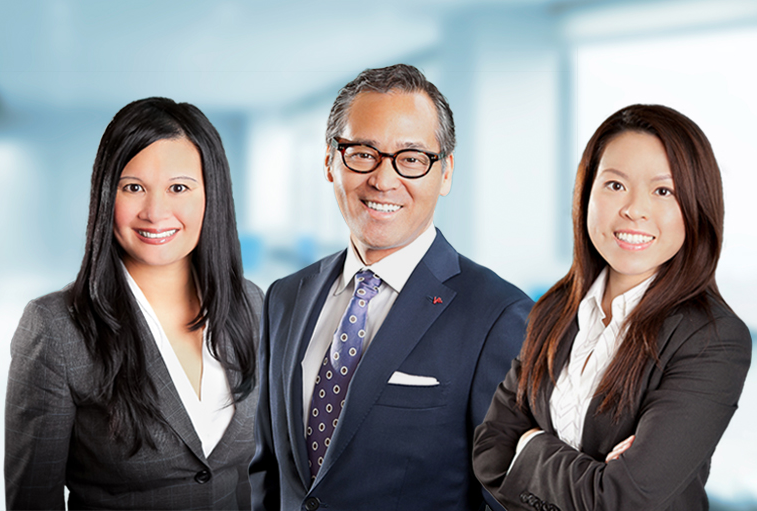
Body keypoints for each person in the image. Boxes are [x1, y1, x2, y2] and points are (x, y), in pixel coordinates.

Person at [249, 63, 533, 511]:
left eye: (412, 159)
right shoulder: (285, 298)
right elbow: (266, 475)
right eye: (363, 153)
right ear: (330, 162)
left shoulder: (499, 316)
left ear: (446, 173)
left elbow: (505, 499)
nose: (383, 179)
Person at [473, 104, 752, 511]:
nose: (634, 209)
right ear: (587, 193)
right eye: (615, 185)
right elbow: (489, 453)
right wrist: (594, 477)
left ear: (696, 206)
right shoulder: (554, 309)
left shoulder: (713, 339)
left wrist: (529, 445)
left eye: (663, 191)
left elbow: (622, 501)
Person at [5, 97, 262, 510]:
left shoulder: (249, 305)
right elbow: (33, 500)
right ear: (106, 196)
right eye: (133, 187)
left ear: (211, 194)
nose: (155, 211)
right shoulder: (56, 328)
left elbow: (251, 474)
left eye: (179, 187)